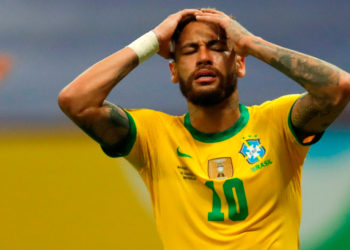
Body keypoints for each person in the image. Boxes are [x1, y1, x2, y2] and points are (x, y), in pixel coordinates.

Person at [58, 8, 350, 249]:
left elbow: (338, 88)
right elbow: (76, 102)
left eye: (217, 47)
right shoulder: (152, 137)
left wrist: (252, 43)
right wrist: (153, 40)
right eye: (189, 50)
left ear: (239, 64)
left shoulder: (278, 123)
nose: (203, 58)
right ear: (174, 70)